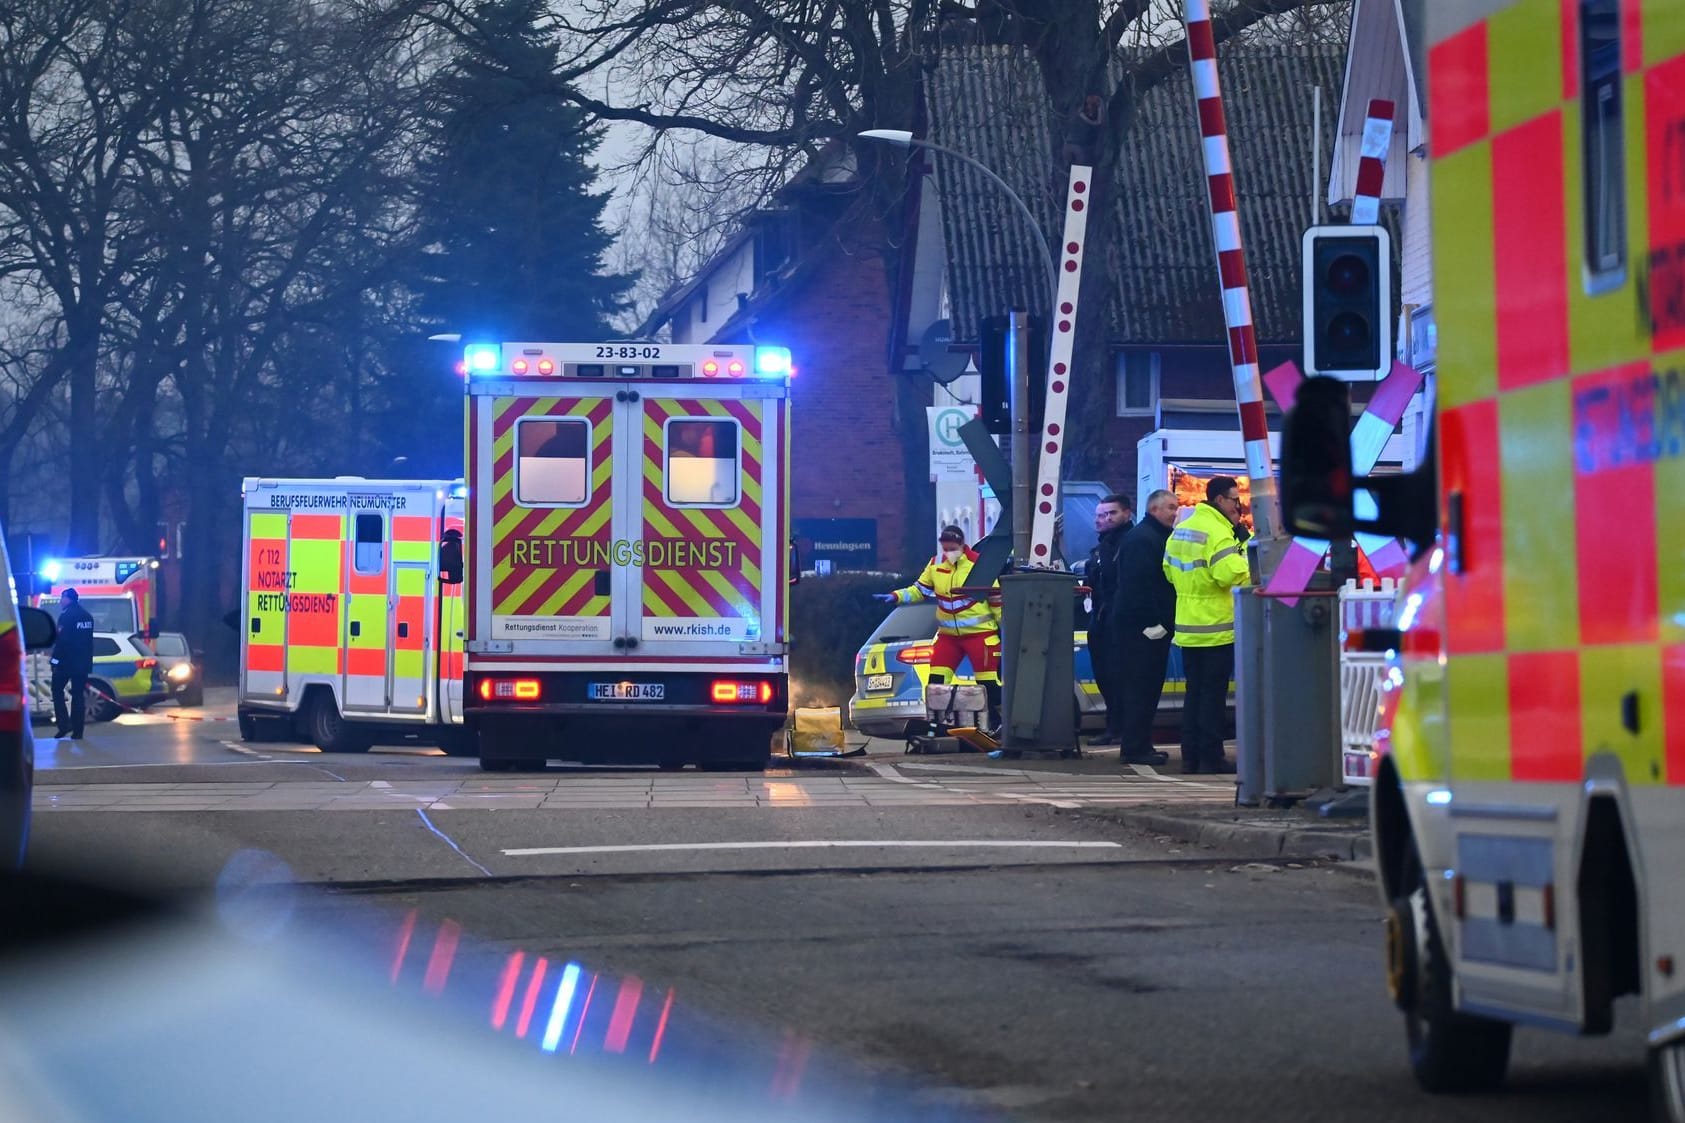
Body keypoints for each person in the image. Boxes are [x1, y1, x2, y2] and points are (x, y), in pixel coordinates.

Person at [1163, 477, 1250, 774]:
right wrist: (1247, 546)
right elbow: (1233, 575)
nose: (1237, 505)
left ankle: (1191, 758)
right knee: (1213, 698)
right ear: (1219, 500)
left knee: (1194, 694)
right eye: (1234, 499)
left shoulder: (1182, 529)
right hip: (1216, 627)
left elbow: (1168, 572)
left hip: (1188, 626)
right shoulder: (1218, 533)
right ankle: (1211, 759)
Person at [876, 526, 1001, 731]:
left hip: (981, 635)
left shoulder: (979, 564)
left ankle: (998, 724)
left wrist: (1004, 629)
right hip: (949, 638)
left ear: (962, 545)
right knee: (936, 685)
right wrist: (896, 596)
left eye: (952, 548)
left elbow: (995, 598)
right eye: (945, 548)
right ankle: (939, 725)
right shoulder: (935, 564)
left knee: (988, 686)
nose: (948, 553)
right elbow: (920, 590)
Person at [1111, 489, 1179, 766]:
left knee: (1145, 689)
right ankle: (1136, 748)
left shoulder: (1148, 536)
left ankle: (1140, 745)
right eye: (1171, 507)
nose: (1175, 512)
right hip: (1141, 630)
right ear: (1154, 510)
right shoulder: (1144, 540)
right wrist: (1156, 623)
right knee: (1142, 689)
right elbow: (1139, 586)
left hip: (1140, 628)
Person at [1083, 494, 1134, 745]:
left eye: (1111, 513)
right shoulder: (1101, 547)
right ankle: (1114, 727)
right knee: (1104, 675)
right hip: (1101, 619)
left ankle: (1123, 729)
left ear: (1127, 513)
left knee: (1121, 676)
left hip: (1120, 620)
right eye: (1100, 515)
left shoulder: (1129, 543)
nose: (1104, 519)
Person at [50, 588, 96, 740]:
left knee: (56, 690)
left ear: (69, 599)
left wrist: (54, 661)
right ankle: (78, 731)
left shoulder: (67, 616)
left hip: (65, 663)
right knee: (78, 696)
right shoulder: (87, 616)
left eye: (62, 598)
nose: (60, 601)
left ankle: (64, 725)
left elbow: (62, 641)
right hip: (82, 664)